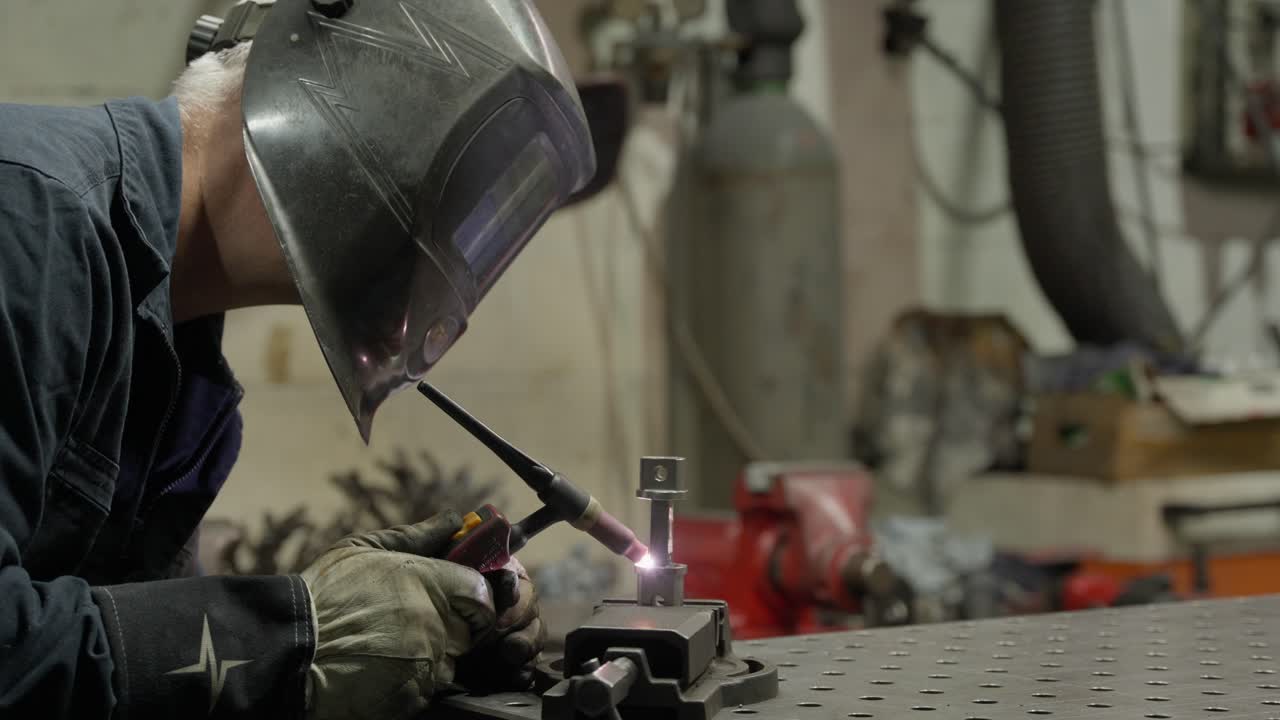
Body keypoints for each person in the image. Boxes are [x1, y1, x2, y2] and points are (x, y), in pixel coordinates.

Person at [0, 0, 596, 718]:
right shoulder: (30, 220)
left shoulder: (181, 379)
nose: (431, 262)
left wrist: (361, 622)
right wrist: (294, 632)